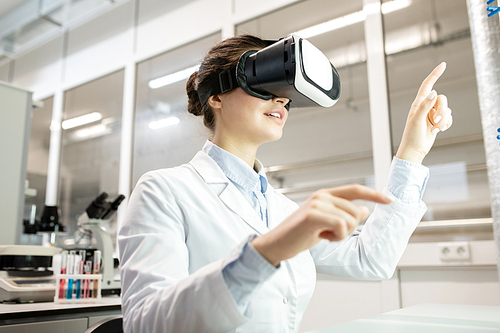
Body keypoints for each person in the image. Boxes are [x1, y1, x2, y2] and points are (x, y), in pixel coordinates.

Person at [118, 35, 453, 333]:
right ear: (216, 97)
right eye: (265, 85)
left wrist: (411, 151)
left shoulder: (282, 210)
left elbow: (371, 259)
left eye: (286, 93)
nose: (280, 100)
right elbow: (144, 324)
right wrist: (266, 252)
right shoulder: (163, 191)